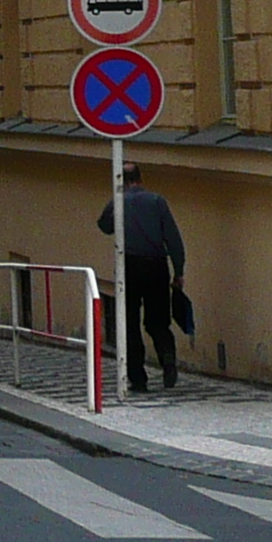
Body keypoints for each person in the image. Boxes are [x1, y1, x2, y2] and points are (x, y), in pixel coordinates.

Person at [97, 163, 187, 394]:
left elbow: (104, 226)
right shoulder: (157, 201)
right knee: (158, 321)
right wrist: (178, 271)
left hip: (129, 266)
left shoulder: (118, 201)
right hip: (157, 265)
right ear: (139, 178)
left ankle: (138, 379)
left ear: (121, 180)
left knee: (129, 323)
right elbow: (173, 239)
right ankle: (167, 360)